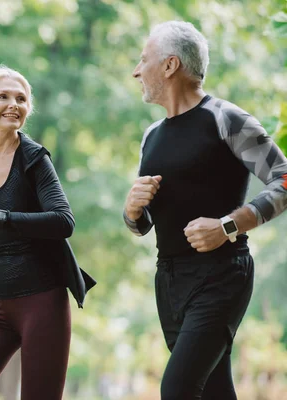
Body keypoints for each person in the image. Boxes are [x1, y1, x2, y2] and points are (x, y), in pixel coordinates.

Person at [124, 21, 287, 399]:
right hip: (169, 279)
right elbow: (143, 225)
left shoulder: (226, 119)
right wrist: (132, 211)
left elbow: (283, 178)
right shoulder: (151, 136)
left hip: (221, 276)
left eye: (143, 59)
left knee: (177, 389)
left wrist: (229, 225)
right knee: (213, 391)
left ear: (169, 65)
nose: (136, 70)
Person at [0, 65, 96, 400]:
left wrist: (1, 215)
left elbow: (63, 220)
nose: (14, 104)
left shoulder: (33, 158)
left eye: (21, 98)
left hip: (41, 302)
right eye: (4, 96)